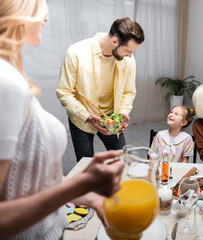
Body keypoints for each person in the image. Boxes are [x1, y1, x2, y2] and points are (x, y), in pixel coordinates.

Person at [0, 1, 125, 239]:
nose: (47, 15)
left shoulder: (10, 76)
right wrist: (77, 184)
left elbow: (31, 173)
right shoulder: (6, 83)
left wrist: (87, 196)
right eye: (40, 4)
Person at [56, 17, 145, 162]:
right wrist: (88, 117)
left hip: (111, 117)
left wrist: (122, 113)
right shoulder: (75, 53)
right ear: (115, 41)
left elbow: (129, 91)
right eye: (128, 51)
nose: (130, 56)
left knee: (122, 161)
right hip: (82, 117)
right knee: (85, 166)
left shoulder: (128, 58)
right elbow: (64, 92)